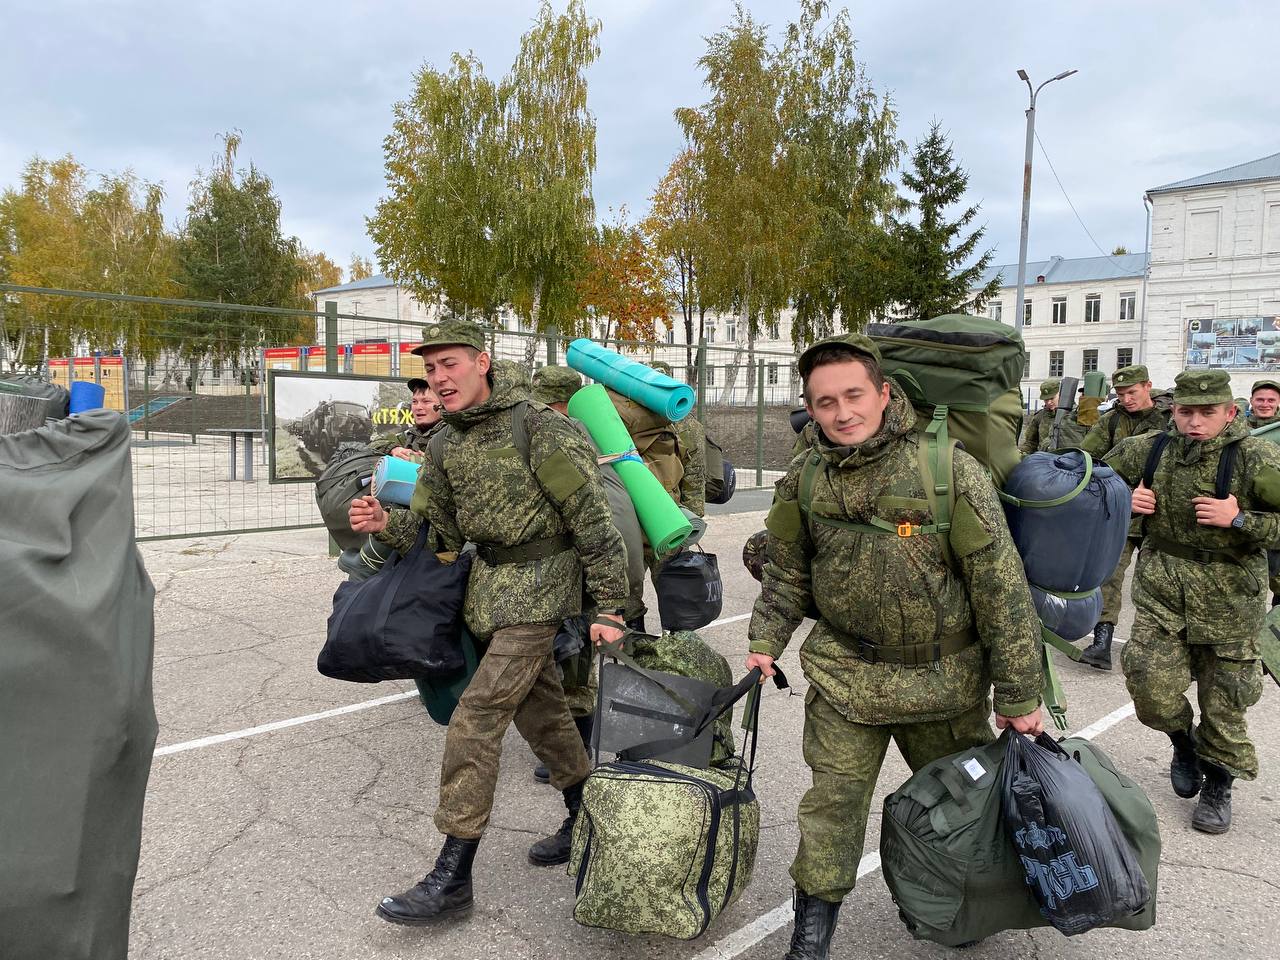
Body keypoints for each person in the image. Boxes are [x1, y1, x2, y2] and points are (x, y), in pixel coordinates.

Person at [745, 334, 1044, 960]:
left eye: (853, 395)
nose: (841, 412)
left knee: (962, 810)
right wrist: (764, 642)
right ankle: (812, 931)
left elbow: (1001, 587)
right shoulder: (804, 475)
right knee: (832, 806)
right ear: (809, 406)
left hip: (943, 682)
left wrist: (1019, 693)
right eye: (824, 402)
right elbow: (787, 569)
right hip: (846, 677)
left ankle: (971, 904)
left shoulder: (946, 468)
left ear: (884, 394)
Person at [350, 318, 629, 926]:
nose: (439, 379)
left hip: (541, 592)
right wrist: (384, 524)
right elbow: (442, 533)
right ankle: (589, 818)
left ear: (482, 362)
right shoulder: (446, 443)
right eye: (430, 369)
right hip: (487, 595)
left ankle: (452, 875)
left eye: (449, 364)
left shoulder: (541, 429)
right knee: (546, 715)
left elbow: (593, 524)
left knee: (475, 722)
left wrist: (609, 609)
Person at [1102, 369, 1280, 834]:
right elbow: (1082, 480)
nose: (1195, 422)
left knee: (1225, 704)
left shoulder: (1257, 458)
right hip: (1163, 589)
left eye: (1207, 413)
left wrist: (1241, 519)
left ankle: (1219, 782)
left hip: (1231, 599)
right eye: (1186, 412)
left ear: (1230, 412)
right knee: (1147, 685)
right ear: (1172, 411)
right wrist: (1123, 498)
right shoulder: (1149, 450)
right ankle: (1183, 741)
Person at [1078, 364, 1172, 668]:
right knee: (1110, 576)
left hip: (1164, 516)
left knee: (1160, 582)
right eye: (1120, 393)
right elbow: (1089, 460)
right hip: (1123, 513)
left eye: (1132, 392)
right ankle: (1102, 641)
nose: (1127, 398)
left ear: (1148, 386)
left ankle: (1163, 650)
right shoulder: (1110, 421)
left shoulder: (1170, 420)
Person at [650, 360, 706, 517]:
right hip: (672, 508)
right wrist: (694, 516)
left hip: (664, 507)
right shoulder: (688, 424)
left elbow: (694, 473)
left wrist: (694, 516)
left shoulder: (634, 419)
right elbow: (695, 475)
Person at [371, 377, 441, 460]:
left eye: (426, 401)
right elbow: (374, 444)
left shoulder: (453, 437)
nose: (418, 407)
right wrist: (394, 449)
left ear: (443, 405)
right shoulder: (411, 436)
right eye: (414, 402)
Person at [1019, 379, 1061, 454]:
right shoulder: (1039, 417)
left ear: (1061, 394)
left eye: (1052, 398)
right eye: (1046, 400)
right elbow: (1031, 443)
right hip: (1044, 460)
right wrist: (1021, 453)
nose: (1049, 402)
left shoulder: (1074, 415)